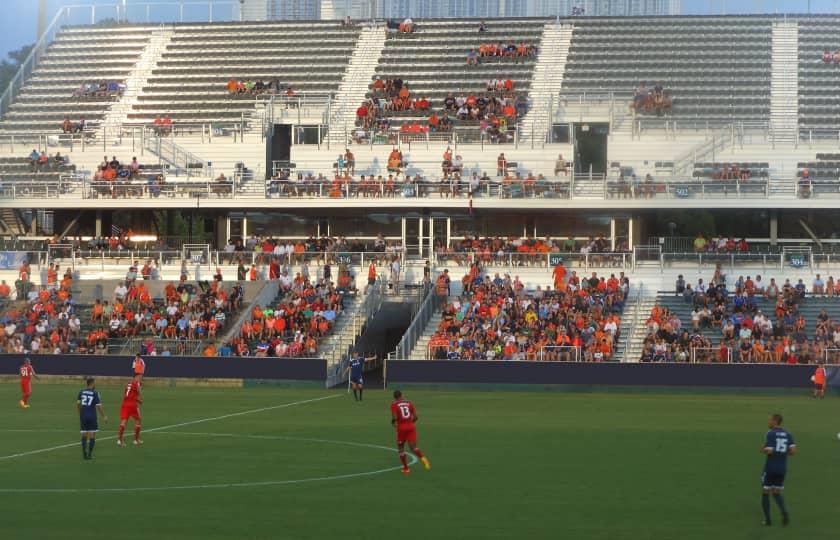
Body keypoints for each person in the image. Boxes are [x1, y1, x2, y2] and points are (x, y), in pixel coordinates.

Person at [760, 413, 795, 527]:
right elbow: (792, 451)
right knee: (776, 493)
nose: (768, 422)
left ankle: (768, 520)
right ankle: (784, 511)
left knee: (765, 492)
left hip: (770, 467)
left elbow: (769, 451)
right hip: (782, 468)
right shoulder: (788, 434)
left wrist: (763, 449)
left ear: (775, 421)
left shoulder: (770, 433)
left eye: (770, 420)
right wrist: (782, 452)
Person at [390, 390, 431, 474]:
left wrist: (393, 423)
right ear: (402, 395)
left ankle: (406, 468)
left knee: (401, 448)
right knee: (413, 447)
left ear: (394, 397)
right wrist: (410, 423)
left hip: (401, 428)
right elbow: (416, 417)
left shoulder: (394, 404)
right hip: (411, 427)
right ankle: (424, 459)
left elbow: (394, 417)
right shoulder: (409, 403)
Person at [77, 377, 107, 460]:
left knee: (84, 435)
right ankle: (89, 454)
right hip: (92, 416)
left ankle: (84, 454)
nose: (95, 384)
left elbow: (78, 404)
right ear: (92, 383)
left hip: (83, 416)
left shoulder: (81, 392)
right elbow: (99, 406)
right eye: (94, 383)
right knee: (92, 435)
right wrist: (104, 416)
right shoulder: (95, 393)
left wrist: (80, 414)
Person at [117, 374, 143, 446]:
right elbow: (138, 392)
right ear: (135, 377)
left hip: (125, 404)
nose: (140, 378)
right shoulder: (136, 384)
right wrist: (140, 399)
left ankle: (119, 440)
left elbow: (127, 394)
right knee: (138, 420)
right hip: (132, 405)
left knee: (123, 421)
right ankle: (136, 440)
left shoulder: (128, 383)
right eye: (139, 377)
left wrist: (137, 400)